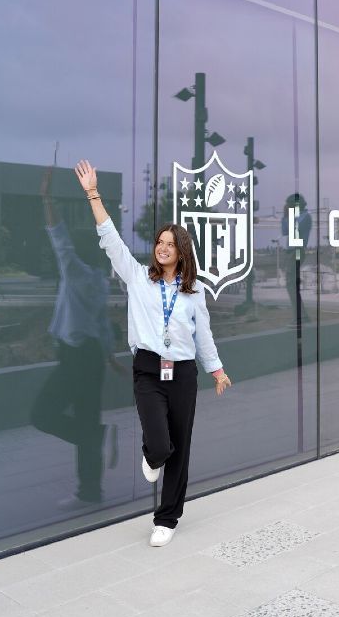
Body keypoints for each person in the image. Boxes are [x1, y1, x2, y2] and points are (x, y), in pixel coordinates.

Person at [74, 159, 232, 547]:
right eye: (159, 243)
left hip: (183, 374)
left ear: (182, 252)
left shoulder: (193, 294)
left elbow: (203, 337)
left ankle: (167, 518)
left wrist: (217, 370)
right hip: (147, 369)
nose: (162, 248)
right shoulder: (137, 279)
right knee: (161, 444)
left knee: (182, 445)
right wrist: (93, 194)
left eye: (170, 244)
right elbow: (110, 238)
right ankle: (152, 454)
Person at [31, 169, 120, 510]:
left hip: (76, 357)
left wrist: (46, 197)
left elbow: (58, 236)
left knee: (42, 414)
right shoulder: (98, 280)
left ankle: (97, 437)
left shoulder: (74, 270)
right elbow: (101, 323)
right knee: (85, 417)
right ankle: (90, 492)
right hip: (93, 357)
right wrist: (110, 357)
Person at [281, 193, 312, 323]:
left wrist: (288, 217)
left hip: (297, 251)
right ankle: (302, 316)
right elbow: (284, 231)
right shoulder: (294, 217)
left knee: (291, 285)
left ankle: (300, 316)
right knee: (291, 285)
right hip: (291, 252)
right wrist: (285, 217)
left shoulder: (305, 217)